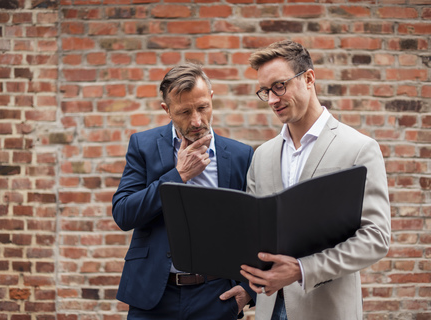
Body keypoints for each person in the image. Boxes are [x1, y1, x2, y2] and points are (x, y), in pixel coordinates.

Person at [239, 40, 391, 320]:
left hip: (327, 311)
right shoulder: (262, 155)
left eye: (279, 86)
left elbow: (375, 237)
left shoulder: (359, 148)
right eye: (265, 91)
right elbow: (254, 232)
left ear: (309, 78)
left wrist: (302, 269)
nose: (272, 100)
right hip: (268, 309)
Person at [112, 62, 256, 319]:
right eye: (184, 112)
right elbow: (123, 214)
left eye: (202, 108)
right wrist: (178, 176)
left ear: (211, 98)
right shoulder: (143, 146)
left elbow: (256, 227)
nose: (197, 120)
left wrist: (248, 290)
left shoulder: (240, 155)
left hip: (216, 296)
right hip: (154, 297)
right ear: (167, 110)